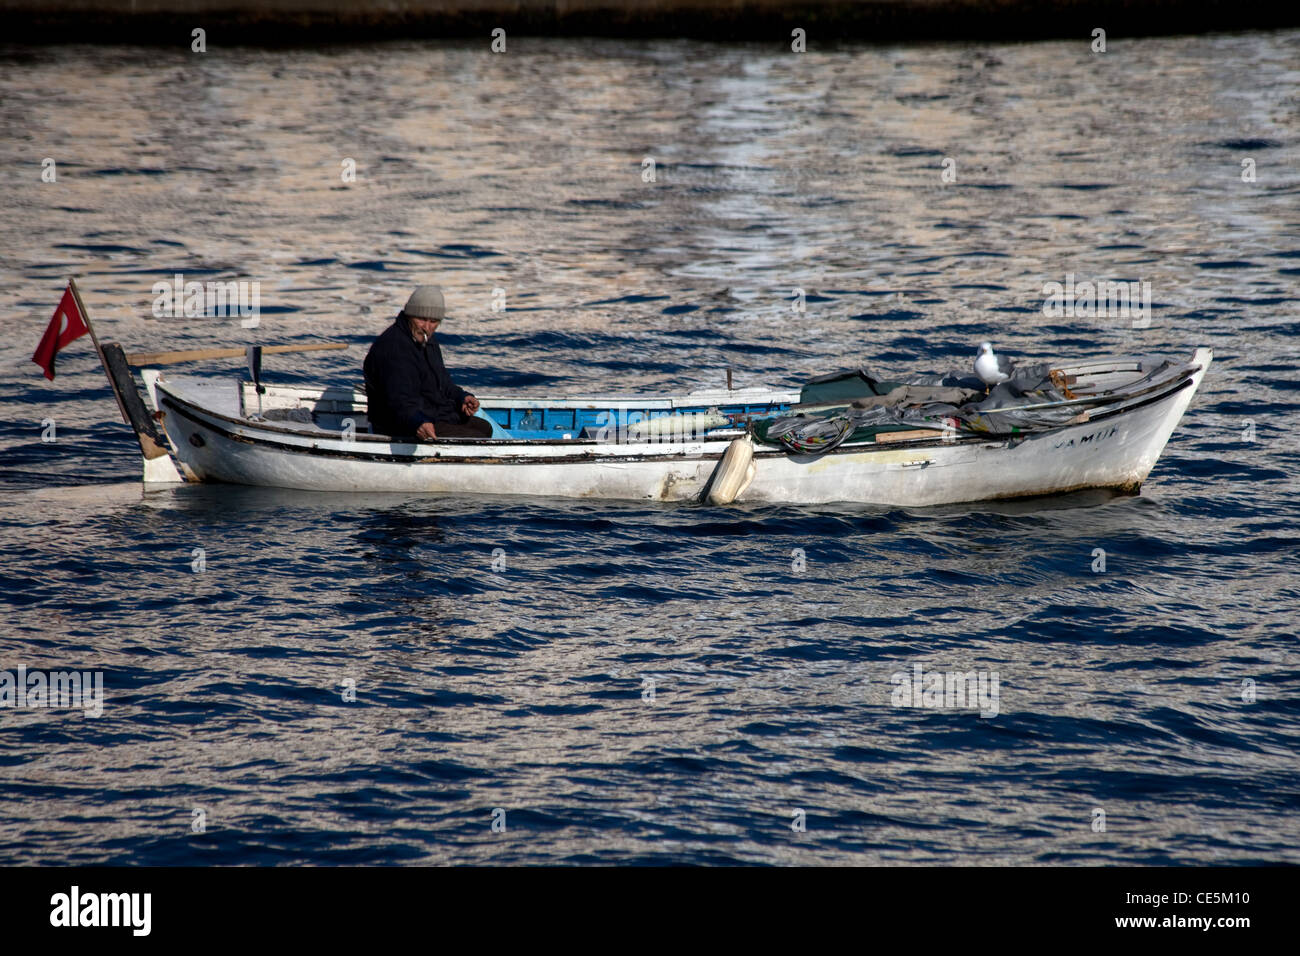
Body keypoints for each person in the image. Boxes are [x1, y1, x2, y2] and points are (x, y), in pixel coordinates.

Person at [363, 286, 492, 440]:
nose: (427, 327)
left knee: (484, 427)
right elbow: (399, 400)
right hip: (399, 424)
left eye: (433, 321)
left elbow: (443, 384)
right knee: (474, 437)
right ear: (409, 315)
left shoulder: (427, 341)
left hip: (429, 412)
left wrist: (462, 398)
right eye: (422, 319)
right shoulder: (394, 347)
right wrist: (418, 422)